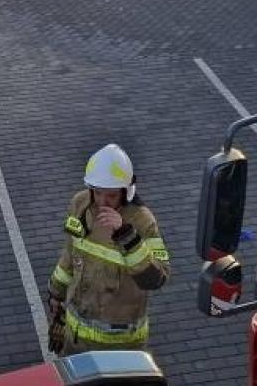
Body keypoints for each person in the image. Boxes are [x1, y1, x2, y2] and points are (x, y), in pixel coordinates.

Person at [46, 143, 169, 355]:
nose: (103, 202)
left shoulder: (142, 221)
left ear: (125, 191)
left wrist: (125, 235)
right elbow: (70, 255)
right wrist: (56, 296)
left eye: (111, 195)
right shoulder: (80, 204)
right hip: (75, 341)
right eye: (97, 193)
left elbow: (157, 279)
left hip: (120, 347)